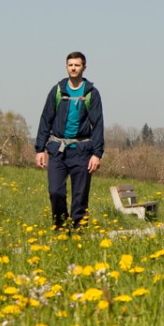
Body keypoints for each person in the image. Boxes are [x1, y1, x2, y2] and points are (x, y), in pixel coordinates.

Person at [34, 51, 104, 229]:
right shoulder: (57, 91)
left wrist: (97, 154)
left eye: (77, 65)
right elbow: (45, 119)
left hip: (82, 151)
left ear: (84, 67)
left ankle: (79, 234)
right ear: (66, 67)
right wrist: (40, 149)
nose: (73, 68)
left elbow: (98, 125)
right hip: (57, 149)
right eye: (70, 65)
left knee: (80, 196)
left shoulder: (91, 93)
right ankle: (61, 229)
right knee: (55, 191)